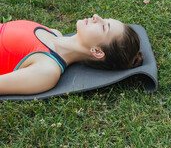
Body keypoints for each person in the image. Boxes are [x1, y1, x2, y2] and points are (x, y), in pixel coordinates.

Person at [0, 14, 143, 95]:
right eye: (105, 18)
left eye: (104, 26)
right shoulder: (54, 33)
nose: (96, 17)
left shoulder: (47, 70)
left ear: (97, 52)